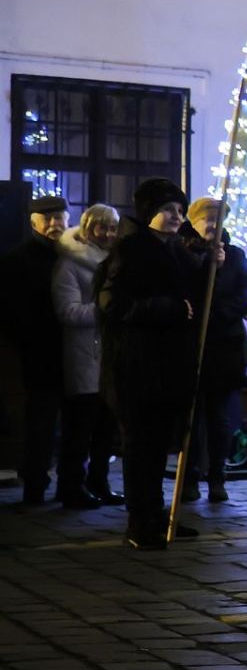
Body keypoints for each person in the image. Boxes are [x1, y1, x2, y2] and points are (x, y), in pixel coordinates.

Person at [96, 178, 203, 550]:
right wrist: (167, 309)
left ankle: (158, 515)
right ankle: (138, 521)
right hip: (137, 364)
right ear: (149, 212)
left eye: (180, 210)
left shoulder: (173, 248)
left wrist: (211, 263)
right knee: (140, 446)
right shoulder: (131, 250)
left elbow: (195, 291)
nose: (176, 216)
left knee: (158, 446)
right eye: (168, 209)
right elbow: (112, 303)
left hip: (167, 365)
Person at [50, 203, 123, 508]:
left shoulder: (116, 262)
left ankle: (98, 481)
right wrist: (105, 310)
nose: (107, 234)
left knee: (106, 428)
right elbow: (67, 311)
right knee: (79, 428)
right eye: (101, 227)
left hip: (110, 356)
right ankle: (70, 486)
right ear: (88, 228)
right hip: (84, 355)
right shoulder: (69, 264)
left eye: (113, 228)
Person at [181, 198, 247, 504]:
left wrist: (219, 312)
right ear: (194, 222)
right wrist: (208, 267)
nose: (213, 225)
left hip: (224, 346)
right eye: (207, 220)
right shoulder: (183, 252)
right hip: (192, 346)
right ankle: (189, 478)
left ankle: (217, 477)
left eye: (217, 219)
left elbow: (244, 295)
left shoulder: (234, 255)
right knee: (191, 419)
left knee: (219, 417)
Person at [1, 193, 70, 504]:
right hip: (39, 353)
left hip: (71, 351)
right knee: (40, 422)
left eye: (59, 217)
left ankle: (69, 482)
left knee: (72, 422)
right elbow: (12, 313)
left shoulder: (72, 254)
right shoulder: (17, 260)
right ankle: (35, 484)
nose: (55, 223)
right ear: (34, 223)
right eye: (48, 218)